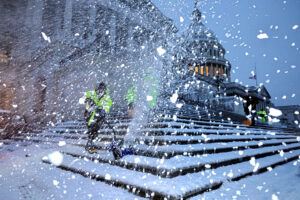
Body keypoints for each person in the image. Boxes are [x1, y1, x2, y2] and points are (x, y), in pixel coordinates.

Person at [83, 82, 112, 154]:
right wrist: (87, 99)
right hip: (89, 113)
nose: (101, 90)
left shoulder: (107, 98)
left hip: (99, 115)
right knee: (91, 128)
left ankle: (90, 144)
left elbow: (108, 106)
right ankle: (90, 145)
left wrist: (103, 109)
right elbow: (83, 98)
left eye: (103, 89)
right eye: (100, 89)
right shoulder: (92, 93)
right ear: (98, 89)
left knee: (94, 130)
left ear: (105, 89)